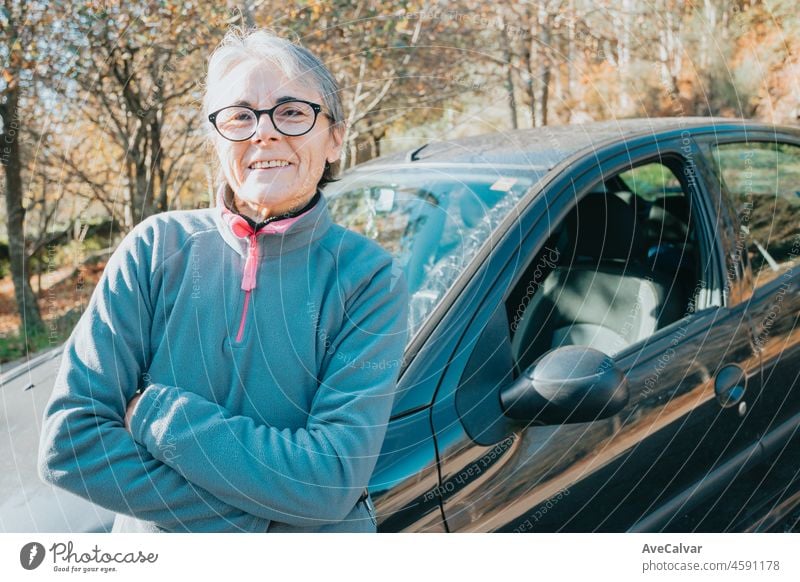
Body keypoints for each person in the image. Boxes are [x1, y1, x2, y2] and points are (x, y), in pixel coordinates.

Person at [36, 27, 409, 533]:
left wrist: (158, 414)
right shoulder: (153, 250)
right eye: (239, 116)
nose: (264, 132)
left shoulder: (369, 278)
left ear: (336, 138)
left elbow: (329, 480)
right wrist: (268, 526)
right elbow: (71, 445)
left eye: (292, 112)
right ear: (217, 140)